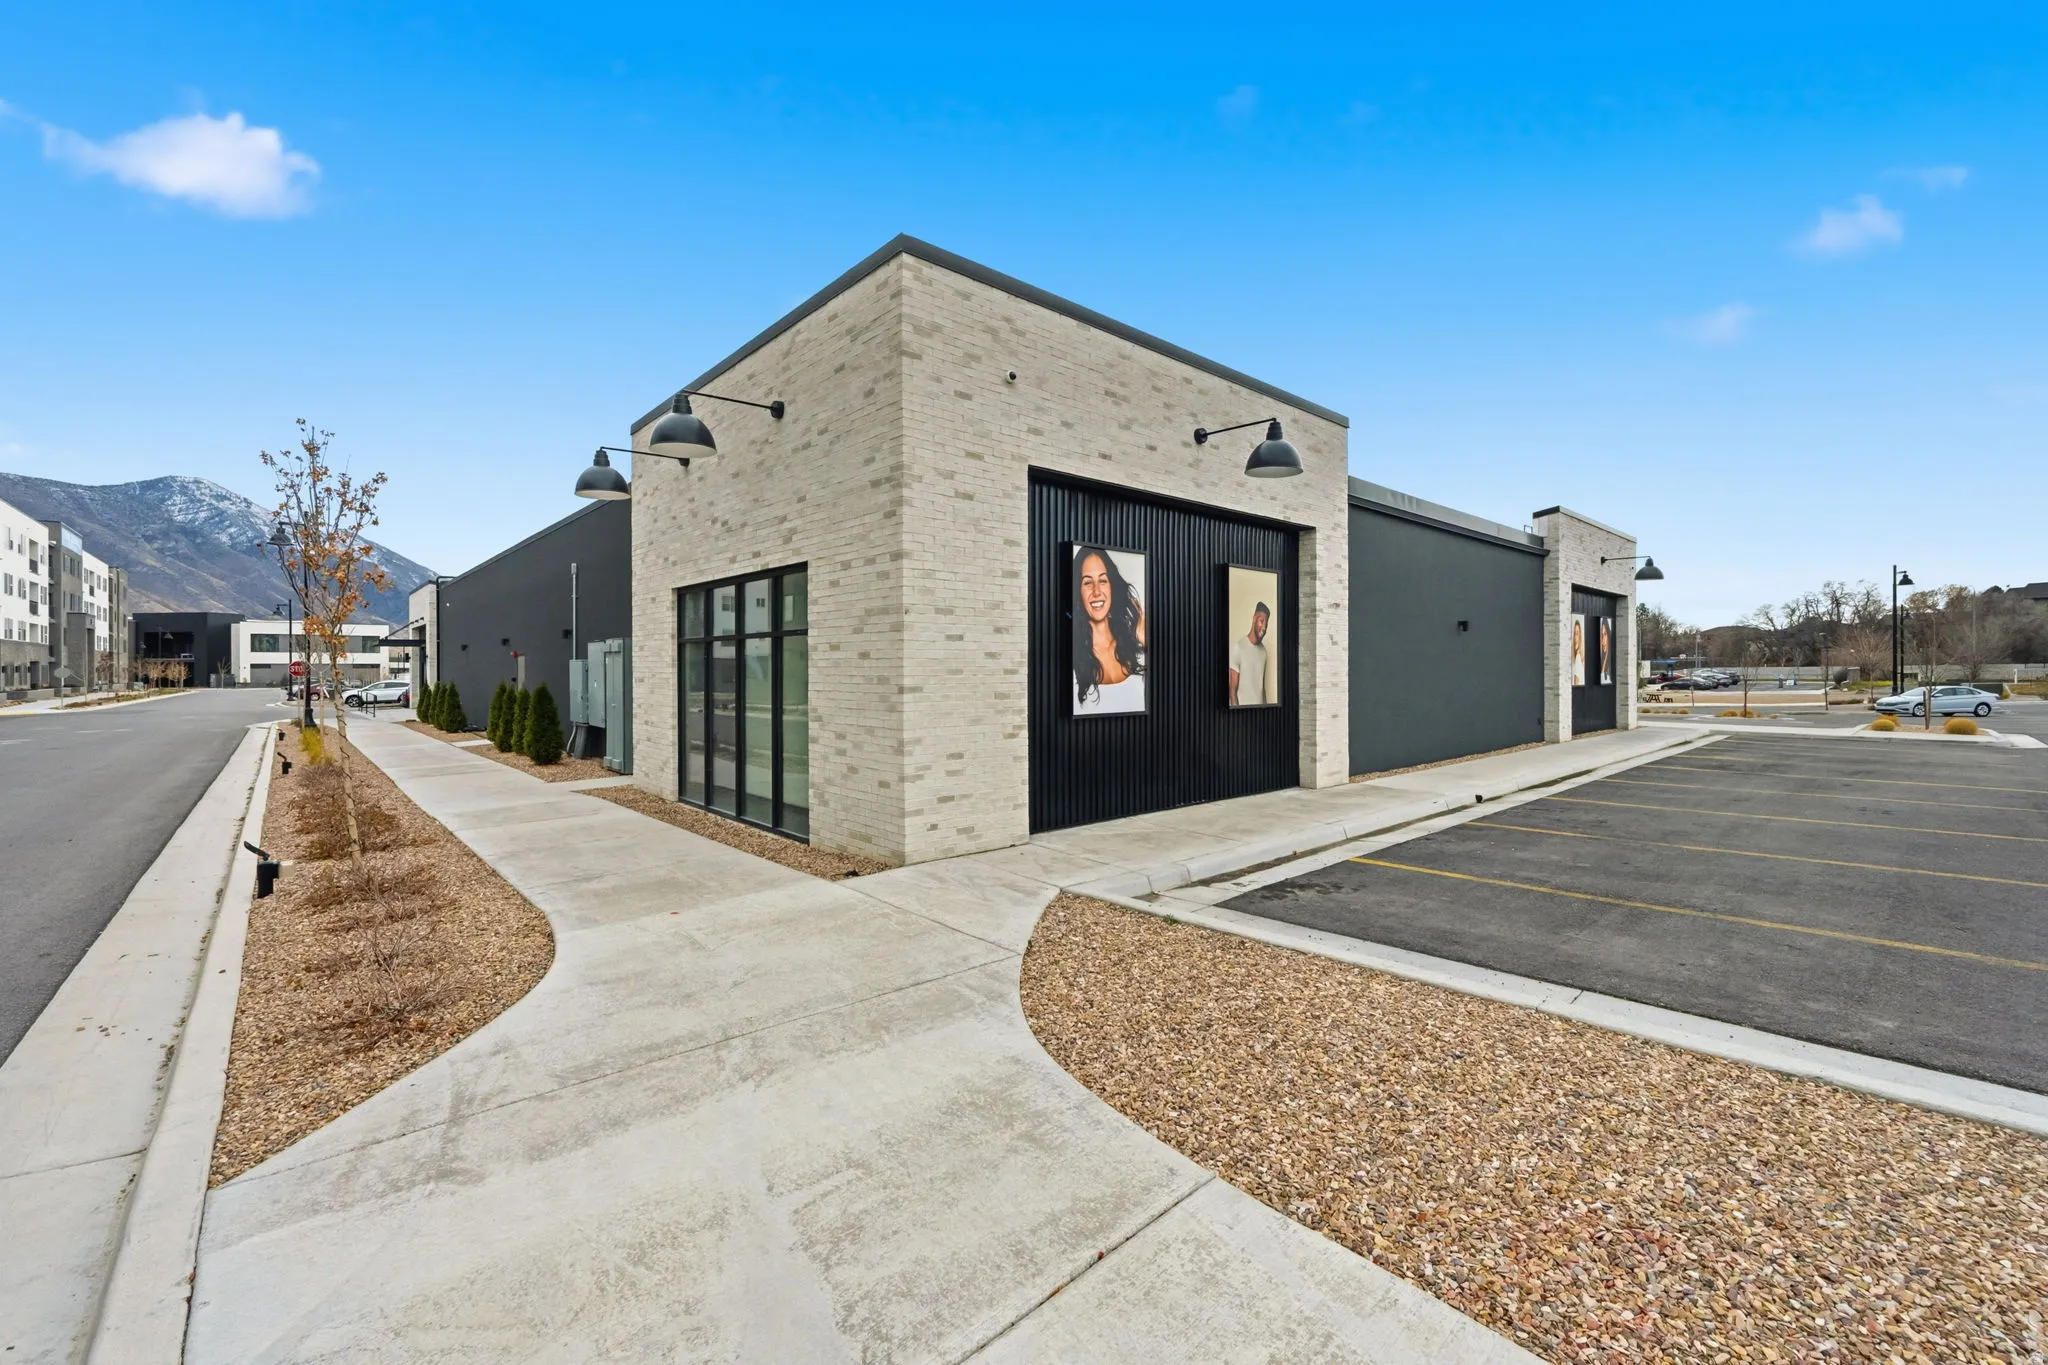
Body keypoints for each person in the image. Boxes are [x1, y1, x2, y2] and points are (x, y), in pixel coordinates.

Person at [1071, 547, 1146, 713]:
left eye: (1103, 581)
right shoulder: (1071, 656)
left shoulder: (1138, 647)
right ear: (1078, 591)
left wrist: (1146, 642)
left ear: (1112, 586)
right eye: (1088, 582)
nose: (1097, 591)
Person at [1229, 602, 1271, 706]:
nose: (1264, 627)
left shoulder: (1263, 651)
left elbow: (1262, 688)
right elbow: (1232, 690)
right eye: (1262, 621)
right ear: (1254, 619)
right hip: (1244, 716)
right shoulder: (1238, 648)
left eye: (1267, 623)